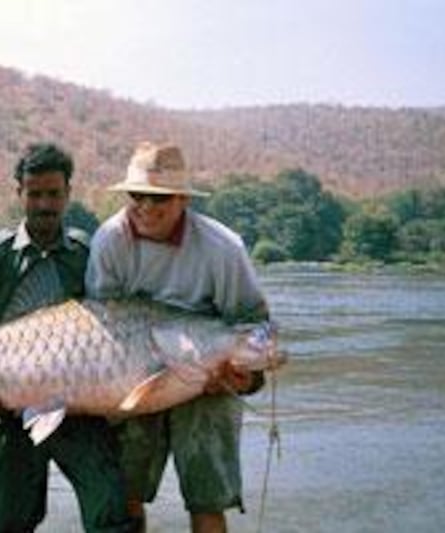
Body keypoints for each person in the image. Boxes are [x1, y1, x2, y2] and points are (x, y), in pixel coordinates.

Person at [85, 142, 270, 533]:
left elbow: (258, 327)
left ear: (183, 199)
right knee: (126, 492)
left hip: (207, 378)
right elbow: (100, 324)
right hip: (135, 373)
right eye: (139, 196)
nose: (147, 208)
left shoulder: (223, 247)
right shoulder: (109, 240)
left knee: (207, 500)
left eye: (160, 198)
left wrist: (248, 378)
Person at [0, 142, 134, 533]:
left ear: (68, 194)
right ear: (19, 194)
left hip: (79, 407)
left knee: (110, 510)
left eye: (54, 194)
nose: (45, 204)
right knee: (9, 521)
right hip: (13, 411)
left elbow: (110, 328)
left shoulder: (86, 252)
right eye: (35, 194)